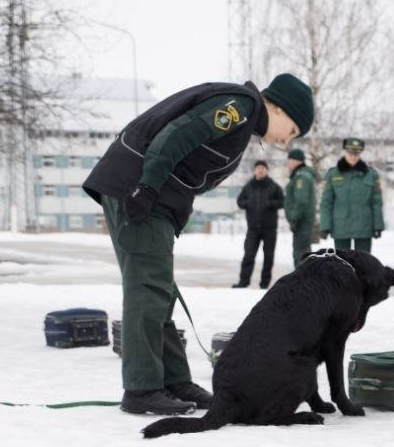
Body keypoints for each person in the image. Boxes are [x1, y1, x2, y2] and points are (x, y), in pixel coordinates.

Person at [83, 72, 312, 415]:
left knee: (159, 290)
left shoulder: (243, 115)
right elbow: (175, 136)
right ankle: (141, 388)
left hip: (149, 192)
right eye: (291, 130)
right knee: (147, 289)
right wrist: (146, 187)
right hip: (139, 189)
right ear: (280, 107)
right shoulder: (240, 107)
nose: (284, 141)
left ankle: (174, 380)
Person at [319, 137, 384, 252]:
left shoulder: (371, 175)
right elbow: (326, 203)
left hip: (364, 227)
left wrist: (378, 225)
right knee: (342, 261)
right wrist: (325, 226)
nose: (353, 156)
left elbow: (376, 202)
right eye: (350, 152)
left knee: (363, 261)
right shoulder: (333, 175)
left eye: (356, 153)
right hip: (340, 227)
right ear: (344, 151)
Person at [234, 160, 284, 289]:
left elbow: (282, 201)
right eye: (258, 168)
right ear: (254, 170)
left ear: (266, 170)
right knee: (249, 255)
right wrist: (248, 203)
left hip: (269, 228)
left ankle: (264, 283)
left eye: (263, 168)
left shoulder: (273, 186)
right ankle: (243, 282)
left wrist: (270, 203)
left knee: (268, 256)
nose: (260, 170)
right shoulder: (248, 186)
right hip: (253, 228)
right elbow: (240, 201)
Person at [283, 149, 318, 266]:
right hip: (302, 221)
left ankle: (303, 277)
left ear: (295, 160)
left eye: (289, 160)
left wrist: (294, 219)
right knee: (303, 252)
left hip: (301, 222)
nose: (288, 163)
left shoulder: (301, 177)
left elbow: (301, 201)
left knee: (300, 253)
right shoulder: (302, 175)